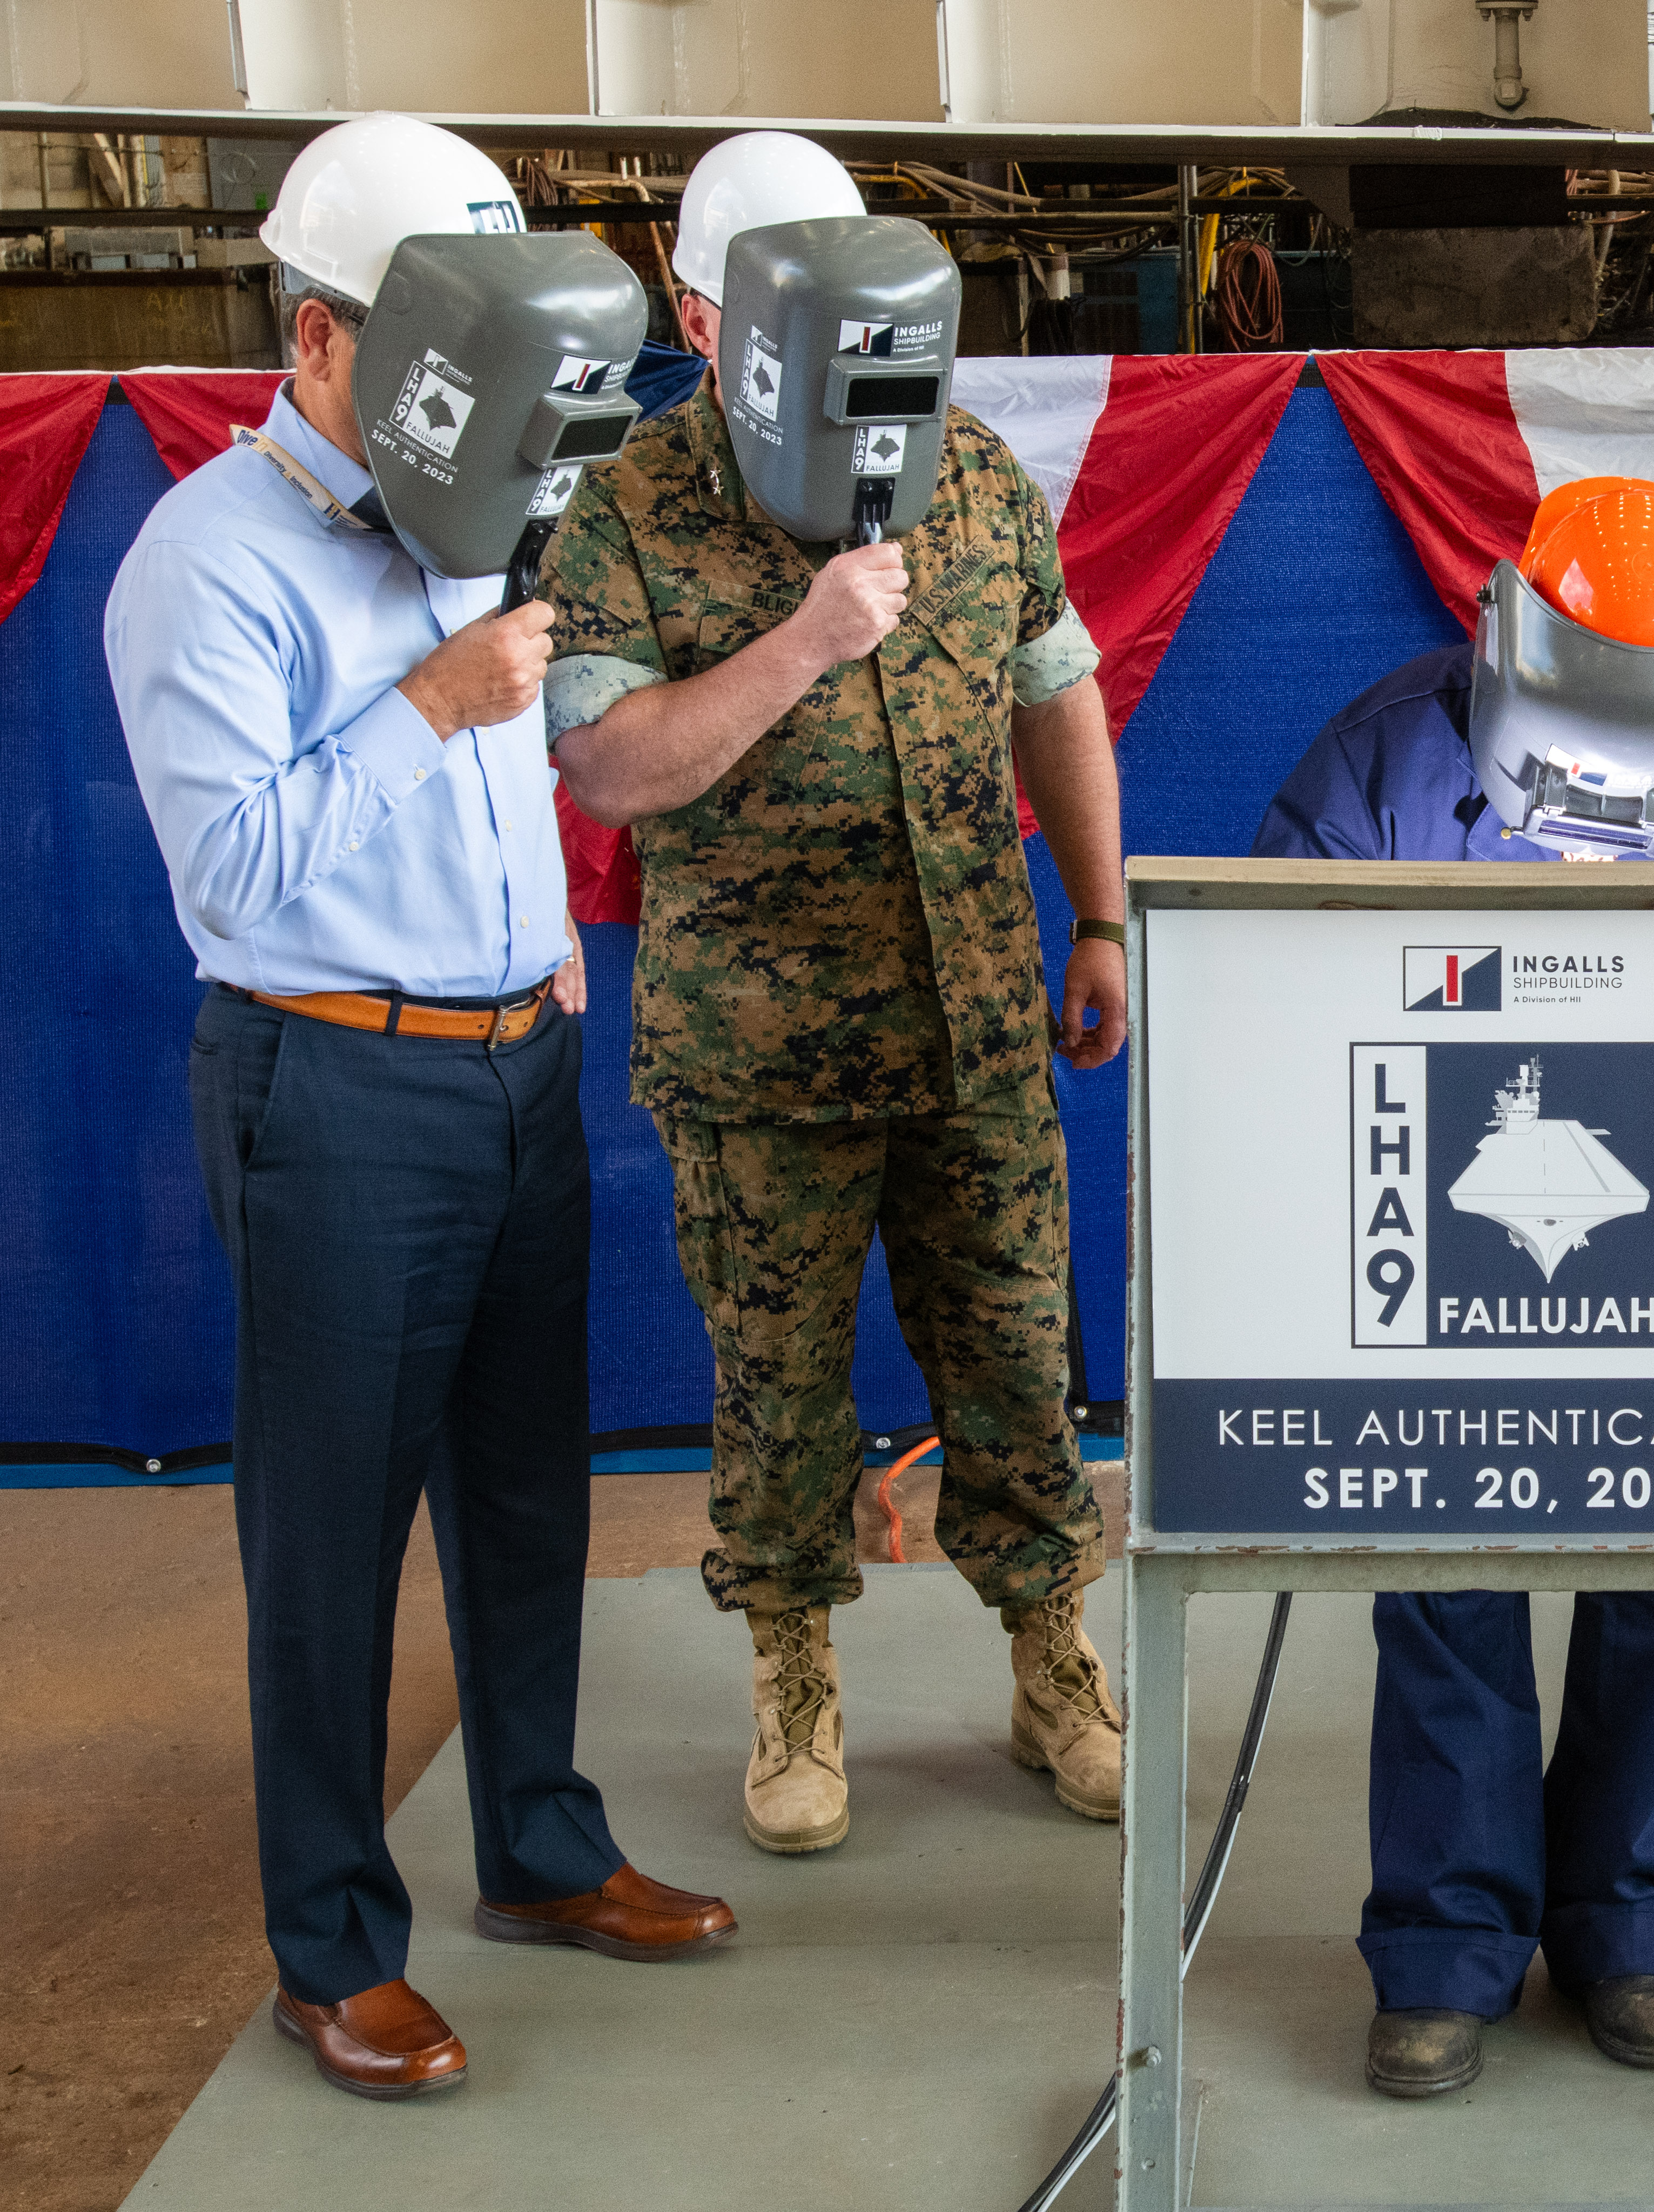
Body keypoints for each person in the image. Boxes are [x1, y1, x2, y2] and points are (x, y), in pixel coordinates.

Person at [107, 113, 736, 2103]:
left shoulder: (478, 513)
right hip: (331, 1085)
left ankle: (541, 1852)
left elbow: (514, 800)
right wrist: (430, 707)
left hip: (511, 1070)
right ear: (317, 342)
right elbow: (233, 880)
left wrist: (536, 948)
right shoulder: (203, 564)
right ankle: (331, 1948)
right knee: (328, 1537)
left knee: (527, 1489)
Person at [1254, 477, 1654, 2098]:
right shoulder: (1382, 758)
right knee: (1446, 1576)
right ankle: (1445, 1942)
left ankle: (1623, 1920)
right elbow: (1272, 1001)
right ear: (1508, 635)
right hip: (1444, 1240)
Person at [536, 130, 1128, 1852]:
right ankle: (794, 1685)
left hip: (979, 1022)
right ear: (696, 308)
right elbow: (609, 770)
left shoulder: (971, 471)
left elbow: (1057, 691)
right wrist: (801, 638)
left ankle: (1049, 1659)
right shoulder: (629, 507)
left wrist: (1099, 920)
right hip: (758, 1056)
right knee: (775, 1389)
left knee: (1020, 1362)